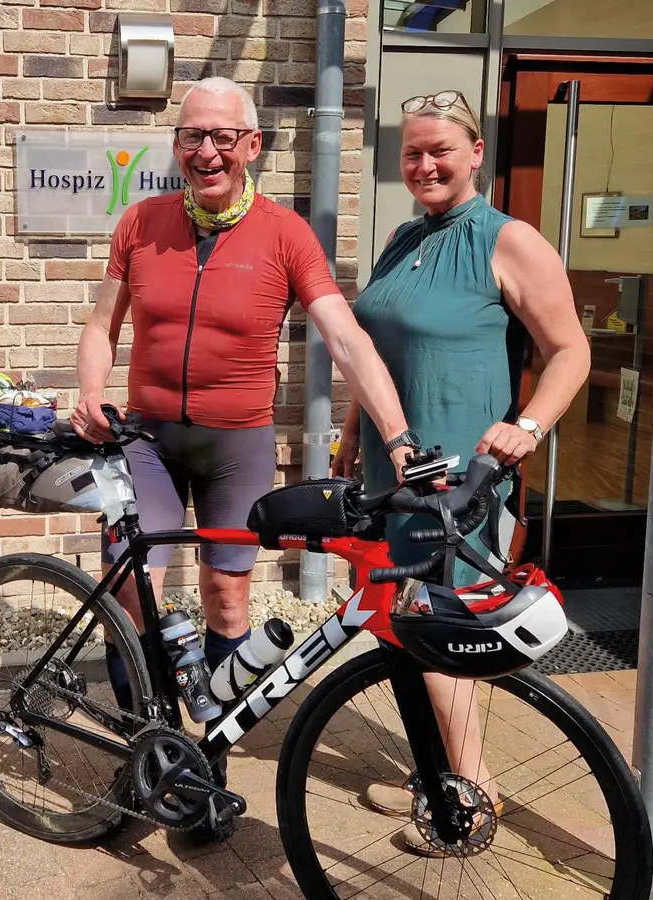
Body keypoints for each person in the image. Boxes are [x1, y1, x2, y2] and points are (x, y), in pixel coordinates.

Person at [71, 77, 418, 711]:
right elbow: (102, 324)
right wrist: (91, 390)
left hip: (238, 445)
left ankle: (215, 751)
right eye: (191, 136)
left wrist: (397, 439)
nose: (207, 152)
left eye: (222, 136)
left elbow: (347, 339)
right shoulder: (142, 223)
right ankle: (145, 738)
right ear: (176, 145)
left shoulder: (285, 234)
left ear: (252, 144)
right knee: (128, 589)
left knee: (228, 596)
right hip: (146, 439)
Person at [332, 88, 591, 855]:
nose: (425, 164)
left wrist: (527, 426)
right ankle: (435, 773)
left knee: (439, 626)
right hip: (392, 469)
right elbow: (374, 347)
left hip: (458, 484)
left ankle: (472, 798)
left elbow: (572, 351)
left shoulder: (507, 241)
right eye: (412, 152)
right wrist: (353, 428)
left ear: (476, 152)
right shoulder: (402, 237)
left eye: (441, 149)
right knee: (400, 624)